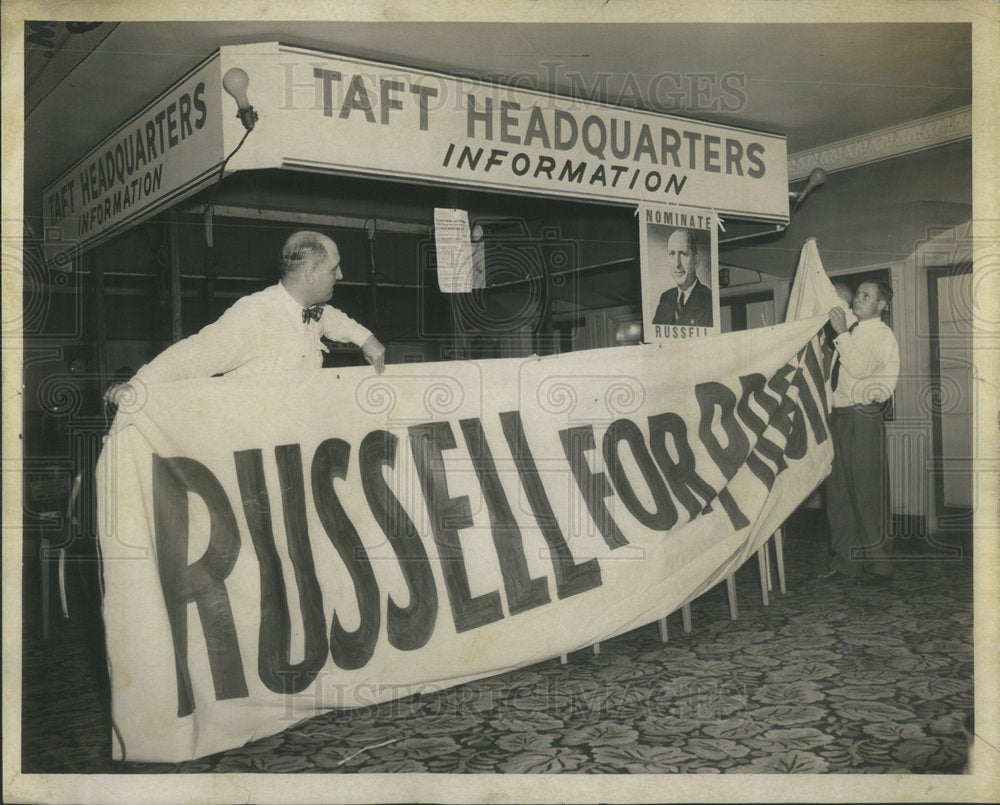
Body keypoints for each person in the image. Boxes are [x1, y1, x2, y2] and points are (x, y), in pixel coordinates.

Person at [106, 231, 385, 404]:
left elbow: (333, 318)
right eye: (334, 269)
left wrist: (366, 339)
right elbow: (193, 355)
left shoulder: (313, 309)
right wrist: (137, 387)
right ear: (311, 275)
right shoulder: (256, 315)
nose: (341, 275)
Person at [820, 280, 900, 584]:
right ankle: (845, 563)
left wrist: (841, 333)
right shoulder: (852, 330)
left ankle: (880, 565)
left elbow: (859, 367)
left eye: (866, 296)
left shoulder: (881, 335)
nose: (858, 299)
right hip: (840, 416)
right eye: (858, 294)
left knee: (867, 492)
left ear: (881, 305)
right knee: (839, 494)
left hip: (863, 417)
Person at [651, 228, 712, 327]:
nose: (677, 264)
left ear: (695, 260)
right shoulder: (666, 298)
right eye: (672, 253)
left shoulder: (709, 300)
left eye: (683, 254)